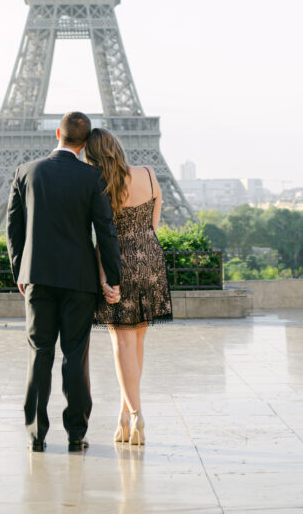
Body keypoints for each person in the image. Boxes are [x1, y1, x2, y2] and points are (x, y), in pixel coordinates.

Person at [6, 111, 122, 453]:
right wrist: (112, 278)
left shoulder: (27, 172)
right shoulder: (92, 177)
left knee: (40, 353)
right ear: (85, 143)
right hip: (79, 280)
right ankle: (75, 433)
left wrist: (20, 272)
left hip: (38, 278)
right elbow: (106, 231)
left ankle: (36, 434)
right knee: (75, 356)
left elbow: (13, 230)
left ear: (57, 133)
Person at [85, 127, 173, 446]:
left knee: (120, 344)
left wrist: (105, 278)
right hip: (150, 258)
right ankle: (124, 417)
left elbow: (102, 238)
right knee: (136, 342)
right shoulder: (148, 174)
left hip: (118, 261)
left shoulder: (101, 184)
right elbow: (153, 224)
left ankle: (136, 413)